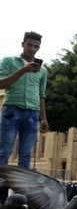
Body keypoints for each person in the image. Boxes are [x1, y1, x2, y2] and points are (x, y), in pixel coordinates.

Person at [0, 31, 48, 168]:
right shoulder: (9, 61)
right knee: (4, 151)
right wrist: (23, 70)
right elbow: (1, 84)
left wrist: (43, 118)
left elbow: (41, 94)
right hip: (12, 109)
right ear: (23, 44)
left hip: (33, 113)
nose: (32, 49)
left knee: (26, 155)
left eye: (36, 46)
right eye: (29, 45)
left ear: (39, 48)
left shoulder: (43, 70)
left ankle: (20, 189)